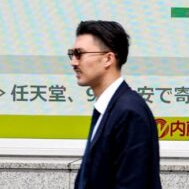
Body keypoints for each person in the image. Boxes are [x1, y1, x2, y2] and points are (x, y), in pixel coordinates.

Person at [69, 20, 162, 189]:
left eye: (79, 54)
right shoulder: (109, 108)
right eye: (72, 54)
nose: (73, 62)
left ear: (108, 59)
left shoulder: (129, 112)